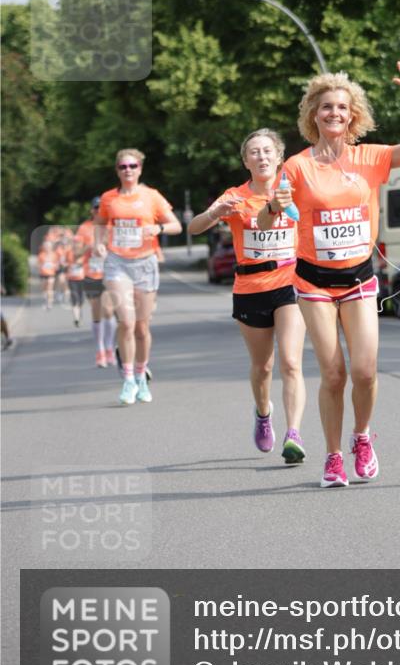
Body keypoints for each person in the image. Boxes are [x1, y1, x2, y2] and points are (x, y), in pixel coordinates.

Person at [264, 59, 400, 488]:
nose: (334, 114)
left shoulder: (370, 158)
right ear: (313, 115)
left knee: (365, 371)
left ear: (353, 114)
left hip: (359, 280)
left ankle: (361, 437)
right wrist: (273, 205)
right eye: (326, 107)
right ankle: (334, 456)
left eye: (342, 107)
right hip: (314, 282)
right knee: (334, 373)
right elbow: (272, 221)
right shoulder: (297, 167)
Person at [188, 129, 307, 464]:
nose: (262, 157)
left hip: (290, 282)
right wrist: (215, 213)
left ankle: (294, 434)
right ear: (246, 161)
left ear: (280, 157)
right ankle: (263, 412)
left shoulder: (294, 190)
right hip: (251, 287)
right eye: (254, 152)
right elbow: (194, 228)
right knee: (263, 366)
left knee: (291, 361)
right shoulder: (235, 196)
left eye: (268, 151)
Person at [94, 149, 182, 405]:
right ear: (117, 170)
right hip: (117, 263)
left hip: (145, 263)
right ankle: (128, 379)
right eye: (123, 167)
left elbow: (176, 225)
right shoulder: (109, 198)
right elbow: (100, 223)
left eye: (132, 166)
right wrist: (99, 244)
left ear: (140, 169)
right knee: (127, 321)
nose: (128, 170)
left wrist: (159, 227)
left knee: (142, 327)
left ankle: (142, 375)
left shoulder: (151, 196)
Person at [76, 197, 117, 367]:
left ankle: (108, 348)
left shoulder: (111, 227)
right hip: (91, 274)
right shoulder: (84, 228)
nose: (98, 211)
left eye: (101, 208)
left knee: (108, 310)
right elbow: (76, 253)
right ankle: (99, 349)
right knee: (96, 311)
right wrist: (90, 246)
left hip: (109, 273)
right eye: (95, 208)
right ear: (91, 210)